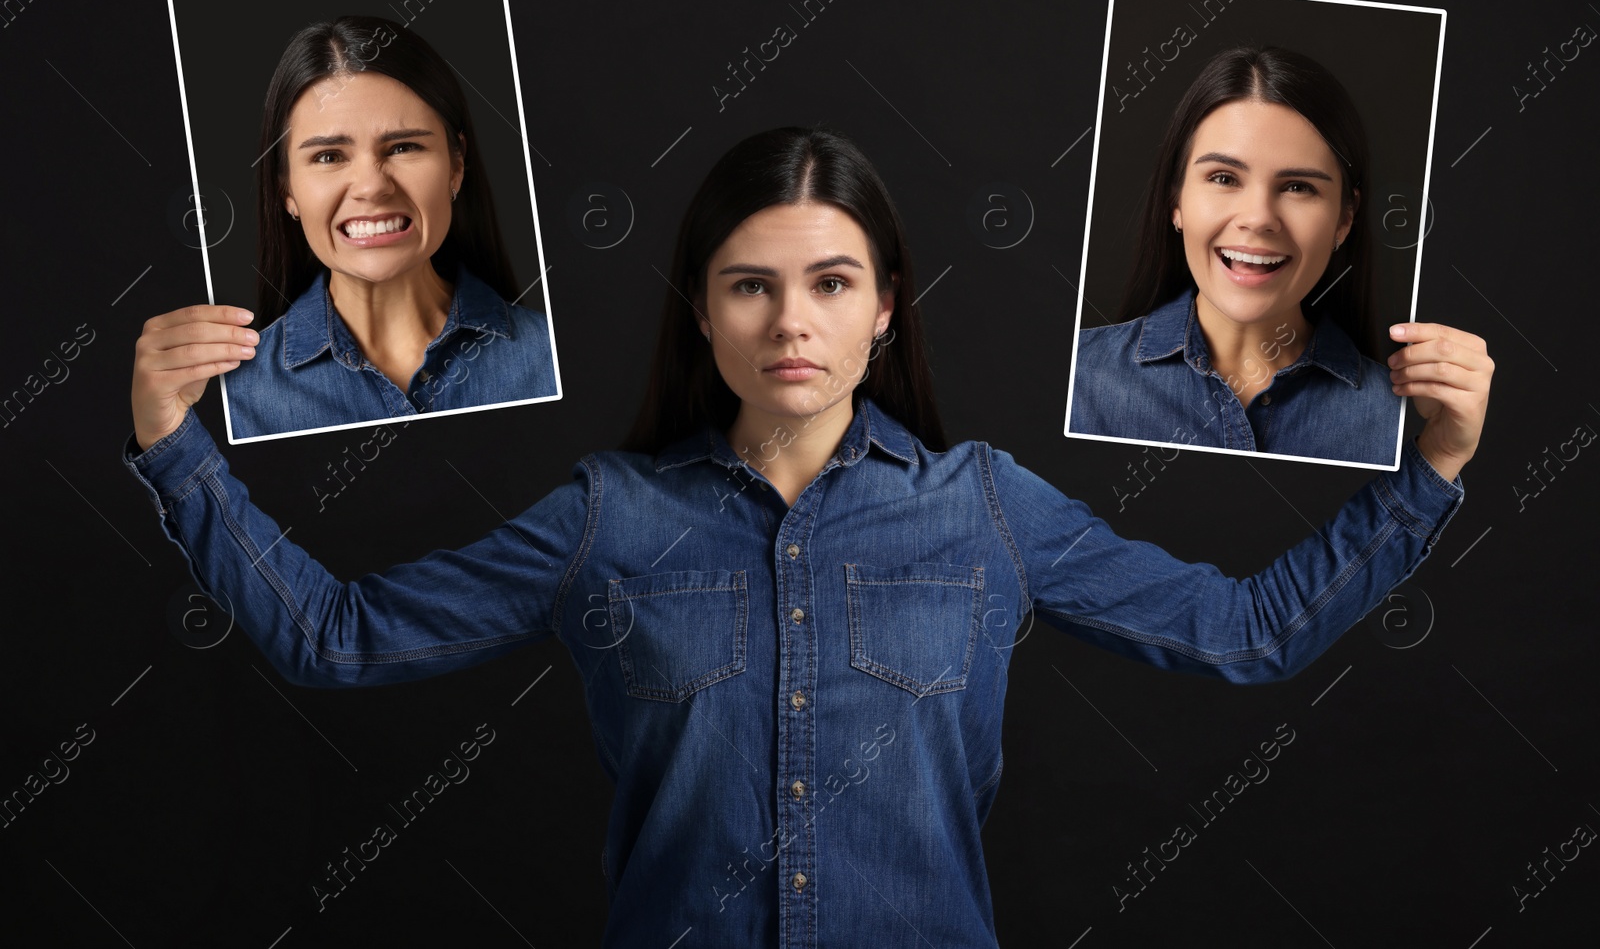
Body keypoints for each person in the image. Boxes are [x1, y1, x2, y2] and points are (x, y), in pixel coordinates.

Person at [126, 126, 1491, 947]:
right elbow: (337, 636)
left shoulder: (987, 508)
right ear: (704, 313)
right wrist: (174, 443)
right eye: (751, 285)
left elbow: (1244, 633)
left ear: (885, 305)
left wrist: (1428, 470)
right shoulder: (609, 516)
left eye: (831, 282)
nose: (791, 320)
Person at [222, 15, 556, 439]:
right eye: (328, 156)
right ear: (286, 190)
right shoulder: (230, 398)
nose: (372, 187)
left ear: (456, 166)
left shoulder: (553, 358)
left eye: (403, 147)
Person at [1070, 45, 1405, 466]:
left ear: (1344, 218)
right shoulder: (1076, 379)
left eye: (1299, 186)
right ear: (1176, 202)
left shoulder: (1401, 422)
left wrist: (1442, 454)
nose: (1258, 218)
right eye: (1224, 177)